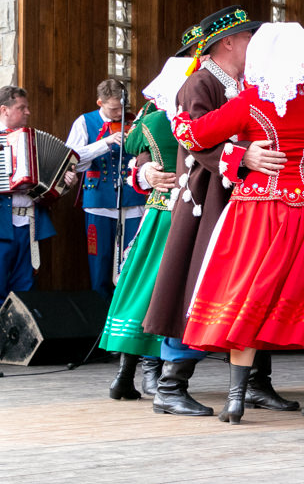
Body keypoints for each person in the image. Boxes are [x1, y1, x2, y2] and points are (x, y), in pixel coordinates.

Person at [172, 22, 304, 425]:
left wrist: (179, 123)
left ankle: (236, 399)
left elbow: (198, 134)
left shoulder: (250, 102)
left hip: (258, 210)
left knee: (247, 293)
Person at [142, 7, 294, 418]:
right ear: (228, 42)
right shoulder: (200, 83)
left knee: (251, 285)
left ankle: (255, 382)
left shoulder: (245, 84)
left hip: (240, 200)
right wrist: (244, 156)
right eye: (248, 37)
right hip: (207, 201)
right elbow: (193, 139)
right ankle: (171, 385)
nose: (254, 45)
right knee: (197, 282)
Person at [98, 56, 190, 401]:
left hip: (155, 213)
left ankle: (125, 374)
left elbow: (134, 145)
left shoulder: (150, 121)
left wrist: (145, 168)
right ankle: (153, 373)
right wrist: (144, 171)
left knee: (140, 289)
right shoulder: (194, 119)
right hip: (180, 215)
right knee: (161, 291)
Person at [66, 79, 148, 300]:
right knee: (100, 261)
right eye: (113, 108)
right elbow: (71, 160)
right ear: (99, 102)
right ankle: (99, 319)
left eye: (122, 107)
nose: (119, 113)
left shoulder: (136, 122)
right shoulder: (84, 122)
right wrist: (106, 142)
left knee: (130, 262)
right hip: (98, 203)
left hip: (133, 203)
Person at [1, 86, 76, 301]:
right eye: (21, 107)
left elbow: (52, 189)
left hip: (29, 224)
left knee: (24, 288)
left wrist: (66, 183)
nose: (28, 112)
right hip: (1, 224)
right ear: (4, 110)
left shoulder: (30, 141)